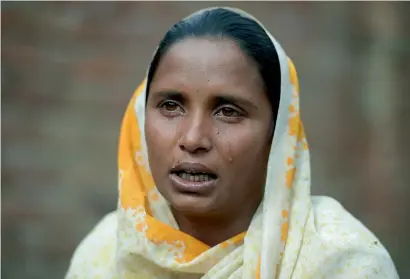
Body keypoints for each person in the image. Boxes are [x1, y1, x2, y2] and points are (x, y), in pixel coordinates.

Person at [65, 7, 399, 279]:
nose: (193, 138)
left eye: (228, 111)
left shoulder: (342, 264)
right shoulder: (105, 254)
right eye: (171, 106)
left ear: (278, 134)